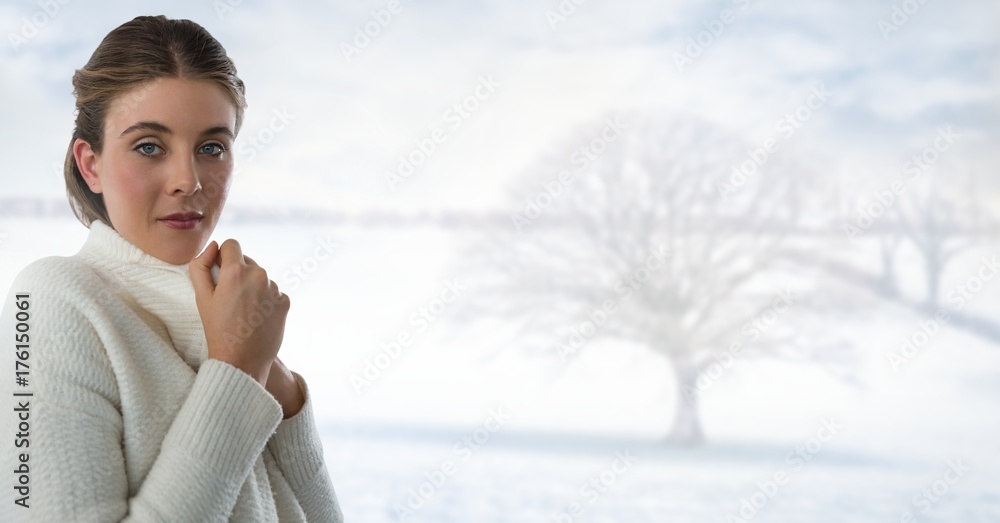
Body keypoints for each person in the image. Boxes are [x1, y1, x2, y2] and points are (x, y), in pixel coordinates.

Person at [0, 15, 344, 522]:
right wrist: (236, 372)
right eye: (148, 146)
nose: (189, 180)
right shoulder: (50, 299)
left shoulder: (228, 316)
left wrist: (284, 395)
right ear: (90, 164)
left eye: (211, 147)